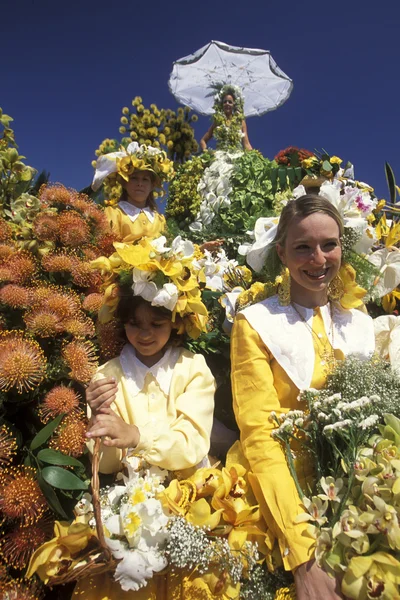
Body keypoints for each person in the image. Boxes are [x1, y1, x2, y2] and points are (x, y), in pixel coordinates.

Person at [230, 195, 375, 600]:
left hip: (357, 492)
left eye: (329, 244)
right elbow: (260, 435)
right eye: (302, 247)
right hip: (281, 495)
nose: (318, 258)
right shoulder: (256, 323)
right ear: (281, 253)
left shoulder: (361, 324)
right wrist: (303, 554)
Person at [73, 289, 215, 599]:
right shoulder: (107, 376)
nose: (145, 333)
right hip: (126, 513)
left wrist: (137, 436)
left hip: (188, 505)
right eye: (135, 323)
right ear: (122, 324)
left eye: (157, 323)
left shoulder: (192, 369)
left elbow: (192, 443)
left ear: (175, 323)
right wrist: (101, 419)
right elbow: (107, 464)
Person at [91, 141, 174, 243]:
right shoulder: (114, 213)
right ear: (124, 183)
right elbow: (107, 246)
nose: (140, 184)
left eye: (145, 180)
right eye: (134, 178)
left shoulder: (159, 219)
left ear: (152, 186)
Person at [200, 85, 252, 152]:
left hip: (236, 156)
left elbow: (246, 144)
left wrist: (254, 157)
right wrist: (206, 151)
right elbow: (203, 140)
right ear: (222, 104)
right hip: (220, 157)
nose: (227, 104)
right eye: (225, 102)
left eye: (230, 102)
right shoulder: (218, 122)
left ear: (234, 105)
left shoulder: (240, 121)